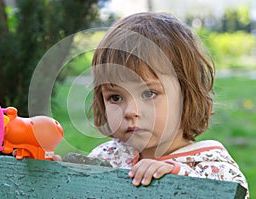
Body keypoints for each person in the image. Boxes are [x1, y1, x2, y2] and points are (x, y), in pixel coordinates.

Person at [87, 12, 249, 197]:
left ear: (186, 95)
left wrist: (178, 178)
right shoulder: (106, 157)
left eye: (149, 93)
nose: (130, 112)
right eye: (115, 97)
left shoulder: (211, 164)